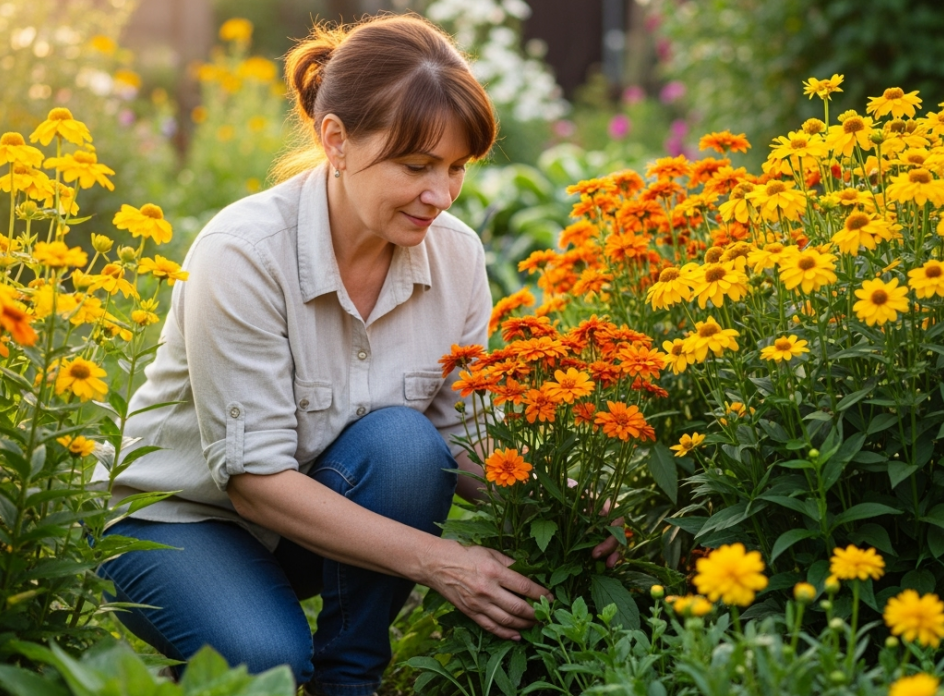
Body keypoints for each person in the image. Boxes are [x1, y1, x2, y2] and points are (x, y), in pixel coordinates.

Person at [92, 14, 619, 696]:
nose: (443, 194)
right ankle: (225, 627)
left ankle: (350, 679)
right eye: (416, 165)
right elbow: (252, 479)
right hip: (180, 519)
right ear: (335, 140)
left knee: (408, 442)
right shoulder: (245, 255)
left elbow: (466, 433)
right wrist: (443, 562)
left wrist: (571, 505)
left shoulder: (455, 255)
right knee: (266, 666)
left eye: (457, 167)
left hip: (321, 521)